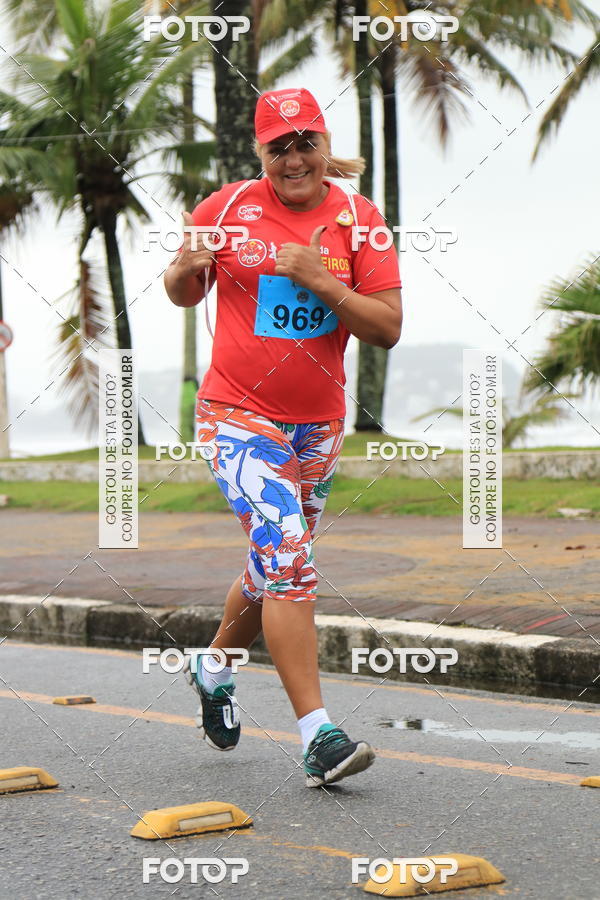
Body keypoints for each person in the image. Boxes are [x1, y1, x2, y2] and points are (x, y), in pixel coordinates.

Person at [164, 87, 402, 788]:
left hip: (318, 426)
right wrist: (182, 267)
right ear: (260, 152)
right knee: (290, 558)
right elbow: (184, 289)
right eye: (280, 146)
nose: (295, 157)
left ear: (325, 146)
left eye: (307, 142)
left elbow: (385, 326)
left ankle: (212, 667)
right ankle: (318, 736)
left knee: (275, 564)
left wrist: (321, 280)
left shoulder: (361, 220)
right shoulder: (226, 210)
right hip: (237, 415)